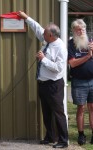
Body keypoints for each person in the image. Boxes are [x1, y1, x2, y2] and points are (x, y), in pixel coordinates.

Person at [18, 11, 68, 148]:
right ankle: (50, 136)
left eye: (45, 34)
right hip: (43, 84)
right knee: (46, 112)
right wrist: (26, 18)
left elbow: (58, 68)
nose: (42, 36)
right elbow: (38, 28)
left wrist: (43, 59)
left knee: (58, 113)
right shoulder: (48, 40)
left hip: (54, 85)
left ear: (51, 35)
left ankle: (63, 140)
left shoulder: (60, 48)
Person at [68, 19, 93, 145]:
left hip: (92, 80)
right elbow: (72, 63)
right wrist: (88, 56)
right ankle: (81, 135)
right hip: (79, 82)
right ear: (74, 30)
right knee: (81, 108)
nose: (82, 31)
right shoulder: (71, 44)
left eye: (83, 28)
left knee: (92, 108)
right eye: (78, 29)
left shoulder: (91, 42)